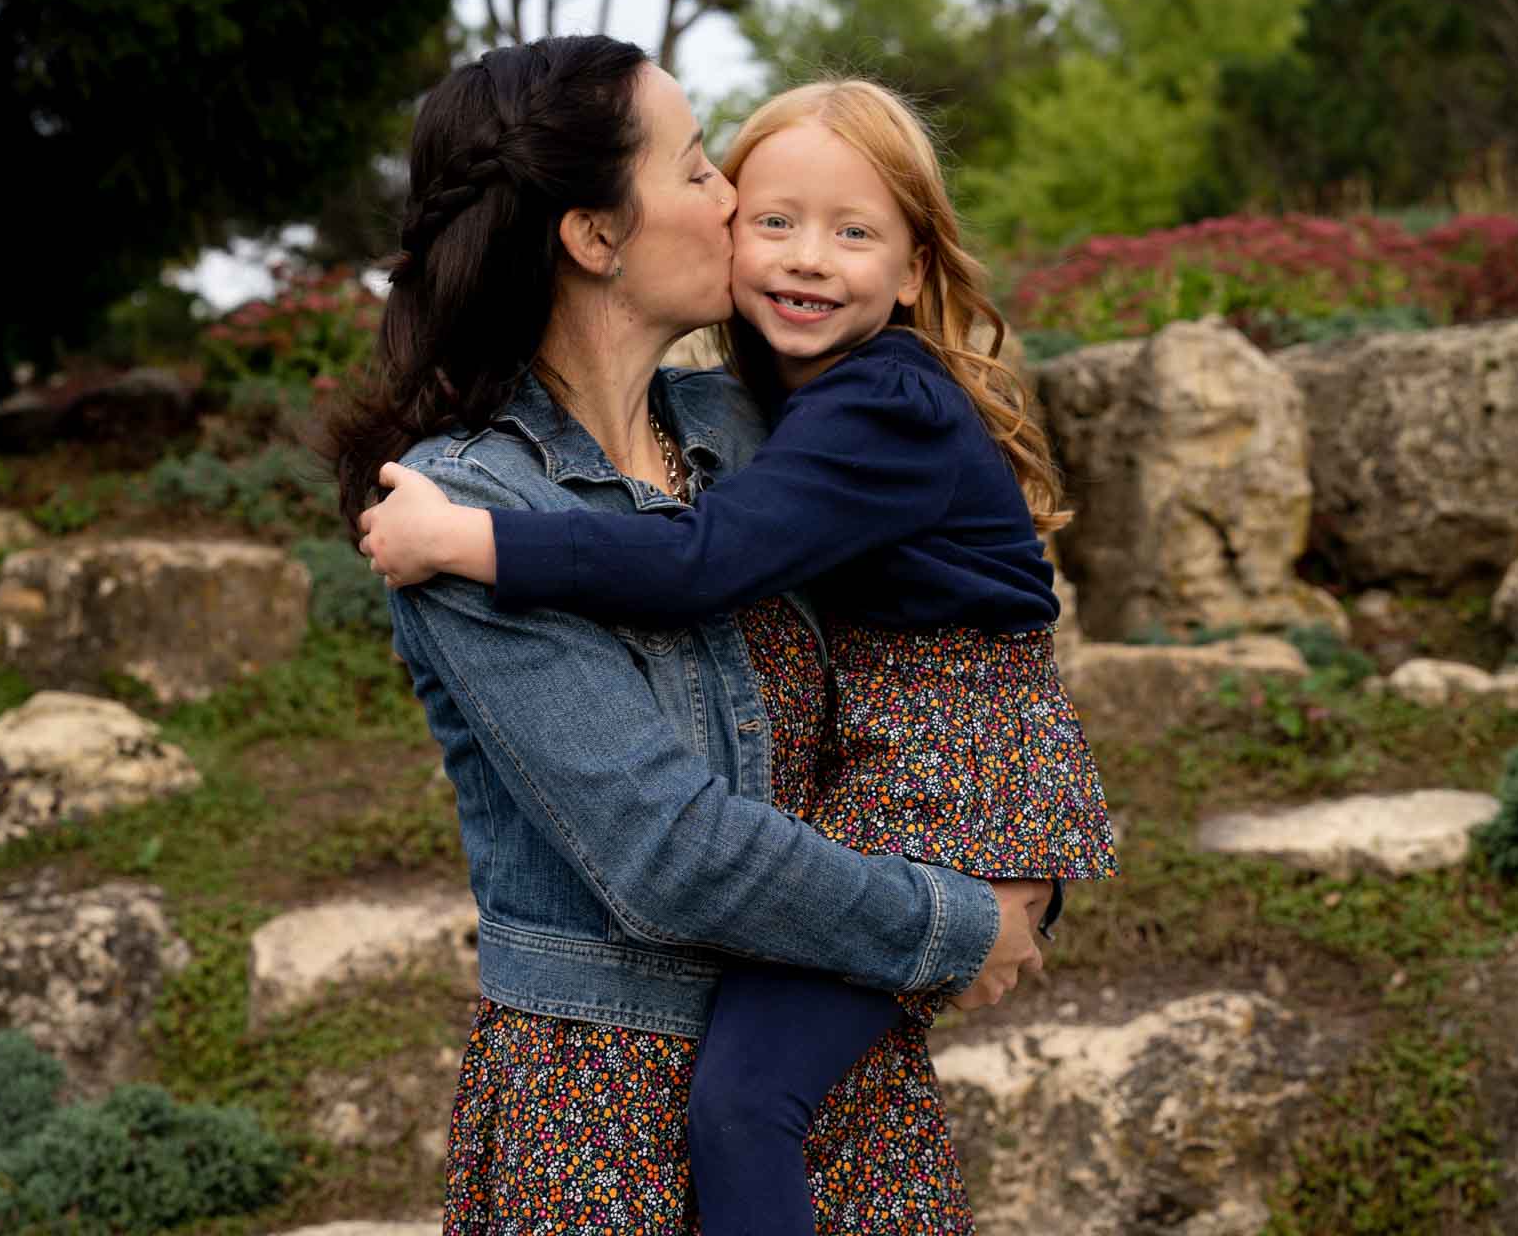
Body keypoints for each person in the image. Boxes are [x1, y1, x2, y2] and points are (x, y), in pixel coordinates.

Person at [357, 78, 1120, 1236]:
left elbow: (731, 568)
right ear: (595, 233)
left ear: (911, 264)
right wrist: (961, 923)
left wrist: (1012, 854)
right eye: (709, 170)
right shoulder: (467, 495)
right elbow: (670, 853)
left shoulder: (749, 423)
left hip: (834, 1066)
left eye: (851, 230)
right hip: (609, 1100)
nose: (740, 210)